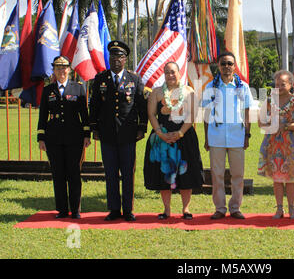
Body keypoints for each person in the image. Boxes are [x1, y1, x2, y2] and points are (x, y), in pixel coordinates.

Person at [89, 40, 147, 222]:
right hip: (107, 134)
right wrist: (94, 129)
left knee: (128, 173)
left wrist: (142, 127)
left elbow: (141, 106)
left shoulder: (134, 79)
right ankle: (114, 209)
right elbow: (95, 106)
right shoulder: (100, 79)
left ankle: (128, 209)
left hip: (128, 135)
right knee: (111, 173)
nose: (116, 60)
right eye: (113, 56)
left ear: (125, 60)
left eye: (120, 57)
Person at [143, 62, 204, 220]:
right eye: (167, 72)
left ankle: (186, 208)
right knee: (164, 173)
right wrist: (160, 133)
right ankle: (167, 209)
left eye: (173, 72)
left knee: (186, 174)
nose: (170, 75)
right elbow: (151, 115)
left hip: (184, 137)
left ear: (179, 73)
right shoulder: (156, 92)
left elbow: (192, 116)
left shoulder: (189, 91)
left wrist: (180, 133)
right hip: (162, 138)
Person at [37, 56, 91, 219]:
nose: (61, 71)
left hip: (74, 138)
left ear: (69, 69)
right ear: (54, 70)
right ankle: (61, 209)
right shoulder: (48, 90)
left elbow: (84, 114)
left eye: (64, 68)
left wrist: (86, 134)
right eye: (58, 68)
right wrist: (41, 137)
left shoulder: (78, 88)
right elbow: (43, 115)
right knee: (58, 174)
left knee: (74, 174)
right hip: (53, 139)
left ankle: (75, 210)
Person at [202, 51, 252, 220]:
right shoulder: (210, 87)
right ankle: (220, 208)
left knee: (238, 174)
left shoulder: (242, 87)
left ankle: (235, 207)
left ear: (234, 65)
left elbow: (247, 112)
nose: (226, 67)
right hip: (216, 136)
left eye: (230, 64)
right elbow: (206, 114)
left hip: (237, 136)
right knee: (217, 174)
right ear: (218, 65)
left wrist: (247, 135)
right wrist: (206, 138)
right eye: (223, 64)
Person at [257, 70, 294, 219]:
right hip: (273, 145)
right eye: (277, 84)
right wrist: (270, 125)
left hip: (291, 146)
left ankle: (292, 208)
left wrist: (285, 126)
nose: (278, 87)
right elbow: (261, 122)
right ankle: (279, 208)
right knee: (277, 178)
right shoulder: (268, 101)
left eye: (283, 84)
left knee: (290, 178)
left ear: (291, 85)